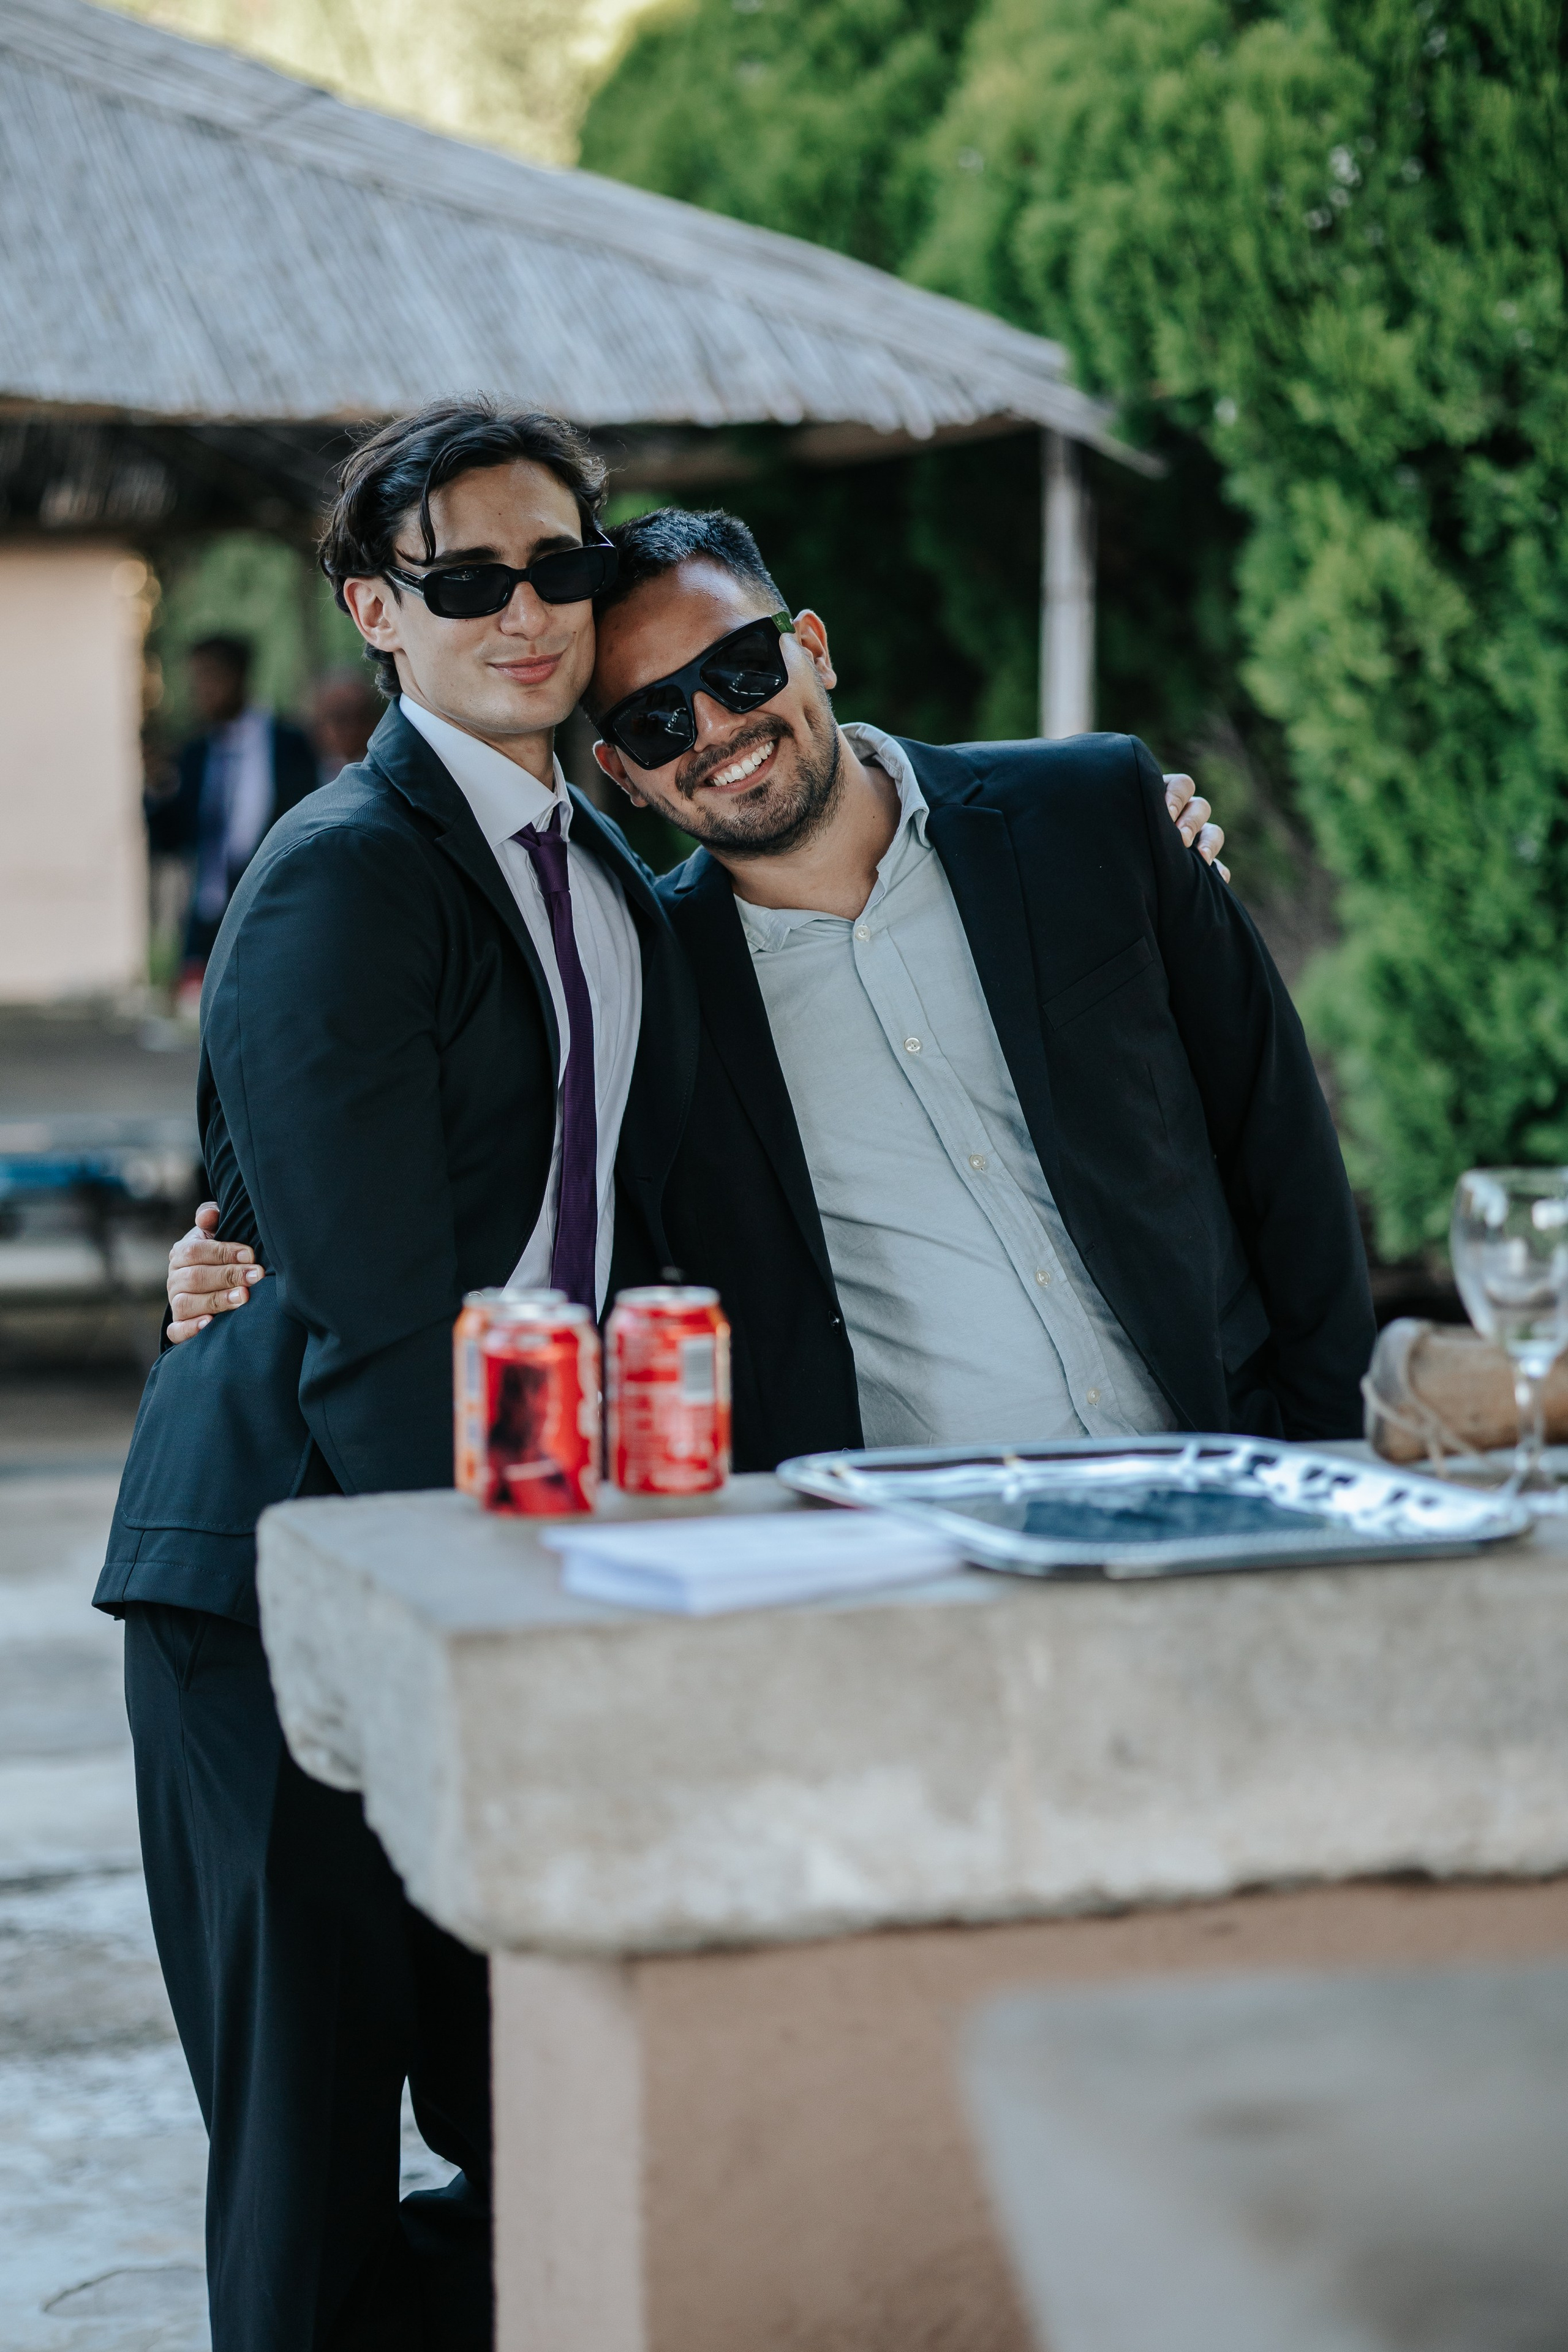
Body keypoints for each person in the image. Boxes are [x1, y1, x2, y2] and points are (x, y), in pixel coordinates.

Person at [97, 401, 700, 2351]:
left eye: (559, 568)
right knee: (312, 2152)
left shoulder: (596, 863)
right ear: (375, 608)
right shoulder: (344, 871)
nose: (524, 613)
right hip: (301, 1570)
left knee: (549, 2124)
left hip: (492, 1544)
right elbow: (364, 1310)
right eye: (466, 581)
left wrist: (1134, 822)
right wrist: (474, 1611)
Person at [145, 634, 320, 983]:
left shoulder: (289, 743)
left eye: (210, 677)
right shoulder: (194, 753)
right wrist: (155, 789)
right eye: (195, 680)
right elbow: (171, 841)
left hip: (273, 911)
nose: (201, 690)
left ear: (239, 675)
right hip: (206, 920)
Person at [311, 663, 385, 781]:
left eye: (362, 717)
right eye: (340, 719)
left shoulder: (389, 773)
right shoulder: (297, 775)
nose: (353, 730)